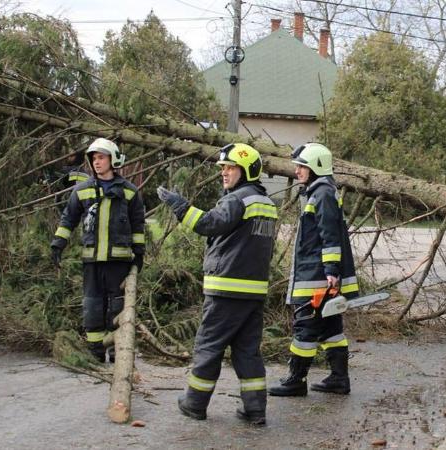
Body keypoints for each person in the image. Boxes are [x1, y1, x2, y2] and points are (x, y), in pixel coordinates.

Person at [157, 143, 276, 426]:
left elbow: (210, 224)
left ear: (246, 170)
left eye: (230, 168)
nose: (224, 173)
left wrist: (179, 205)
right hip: (254, 292)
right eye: (222, 168)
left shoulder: (238, 200)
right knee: (248, 352)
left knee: (208, 347)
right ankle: (255, 409)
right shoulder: (266, 203)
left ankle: (194, 403)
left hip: (226, 290)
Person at [268, 142, 359, 397]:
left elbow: (329, 236)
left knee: (305, 326)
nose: (297, 171)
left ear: (316, 167)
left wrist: (331, 270)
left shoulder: (323, 194)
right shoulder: (319, 192)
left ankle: (296, 380)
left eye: (301, 166)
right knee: (331, 327)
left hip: (316, 276)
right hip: (319, 274)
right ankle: (339, 379)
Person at [50, 138, 146, 363]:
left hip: (119, 261)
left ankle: (116, 351)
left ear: (113, 160)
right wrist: (58, 243)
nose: (97, 162)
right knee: (92, 306)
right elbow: (68, 219)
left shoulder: (130, 192)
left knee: (117, 307)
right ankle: (94, 351)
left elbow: (138, 224)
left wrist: (139, 252)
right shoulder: (81, 191)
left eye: (101, 157)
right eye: (93, 158)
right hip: (92, 261)